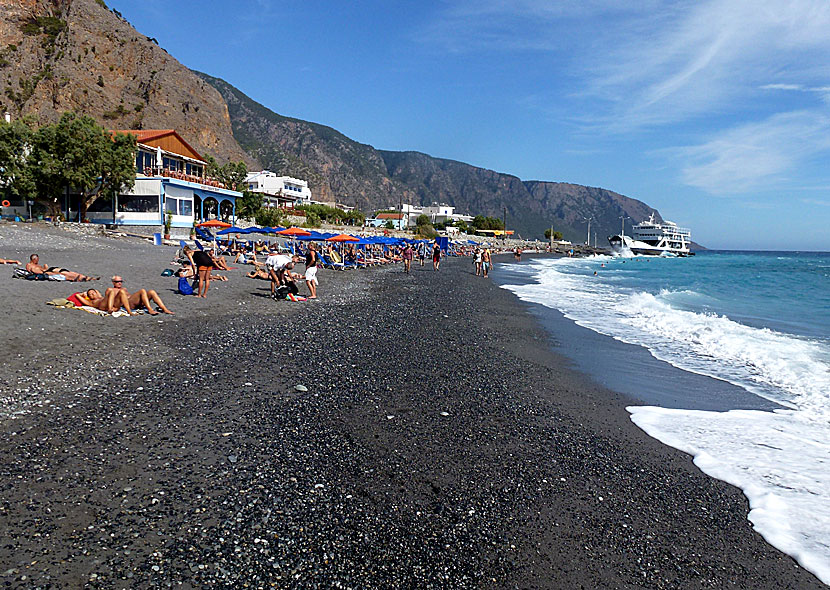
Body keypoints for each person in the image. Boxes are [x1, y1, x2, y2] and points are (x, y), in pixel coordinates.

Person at [109, 276, 174, 315]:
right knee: (142, 291)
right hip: (128, 304)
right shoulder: (111, 290)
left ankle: (164, 309)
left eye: (121, 281)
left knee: (152, 292)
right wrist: (111, 308)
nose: (119, 283)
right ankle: (150, 309)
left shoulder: (124, 289)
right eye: (117, 281)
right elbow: (109, 300)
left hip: (133, 302)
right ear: (113, 282)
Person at [25, 254, 98, 282]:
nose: (38, 261)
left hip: (50, 270)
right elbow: (31, 271)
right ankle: (82, 278)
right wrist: (43, 269)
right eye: (37, 260)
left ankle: (87, 277)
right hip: (48, 272)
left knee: (68, 273)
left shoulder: (37, 265)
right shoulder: (30, 265)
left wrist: (44, 267)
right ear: (33, 259)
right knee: (66, 275)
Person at [67, 288, 134, 314]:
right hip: (102, 305)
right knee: (111, 292)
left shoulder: (100, 297)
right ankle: (110, 309)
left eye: (93, 293)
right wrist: (83, 294)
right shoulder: (91, 302)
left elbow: (97, 292)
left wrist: (96, 292)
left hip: (111, 303)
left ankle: (129, 311)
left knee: (122, 291)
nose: (92, 294)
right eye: (90, 294)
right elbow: (77, 295)